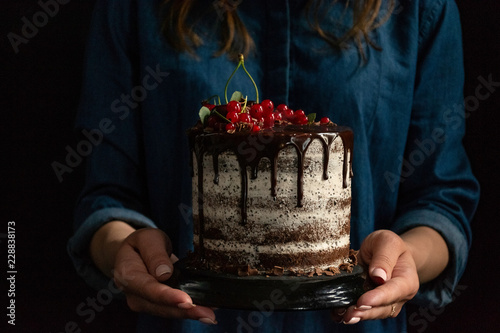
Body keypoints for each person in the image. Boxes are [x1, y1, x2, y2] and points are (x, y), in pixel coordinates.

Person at [68, 0, 480, 331]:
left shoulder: (419, 9)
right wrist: (122, 249)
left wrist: (404, 258)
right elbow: (108, 194)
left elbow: (440, 199)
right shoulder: (133, 8)